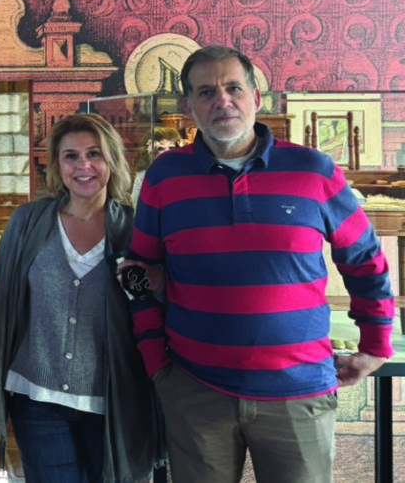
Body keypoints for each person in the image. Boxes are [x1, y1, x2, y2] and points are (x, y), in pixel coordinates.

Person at [123, 45, 396, 483]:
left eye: (233, 88)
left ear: (255, 97)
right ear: (189, 106)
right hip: (195, 390)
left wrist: (376, 344)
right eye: (206, 92)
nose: (222, 101)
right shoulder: (164, 176)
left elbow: (363, 258)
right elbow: (137, 271)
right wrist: (157, 362)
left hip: (298, 392)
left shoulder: (313, 170)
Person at [0, 113, 164, 483]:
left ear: (111, 161)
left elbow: (161, 302)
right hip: (36, 398)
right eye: (70, 156)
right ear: (57, 166)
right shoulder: (27, 222)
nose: (83, 166)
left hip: (112, 399)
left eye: (94, 154)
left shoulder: (135, 228)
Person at [129, 126, 182, 204]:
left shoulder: (182, 171)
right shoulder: (144, 174)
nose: (167, 152)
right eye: (161, 148)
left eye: (171, 148)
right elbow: (135, 203)